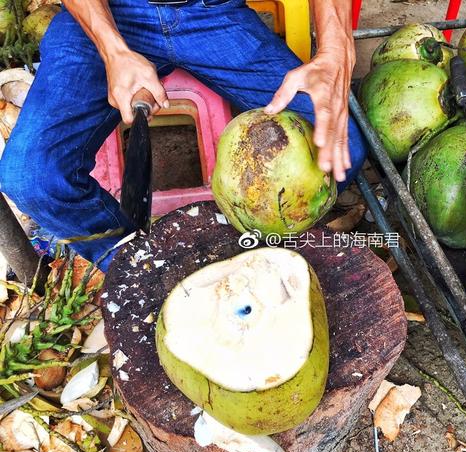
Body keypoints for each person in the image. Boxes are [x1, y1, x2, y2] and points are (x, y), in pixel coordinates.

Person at [0, 0, 367, 270]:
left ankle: (239, 251)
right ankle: (137, 268)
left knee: (340, 145)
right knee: (32, 177)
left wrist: (336, 50)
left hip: (213, 14)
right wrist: (113, 51)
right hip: (107, 14)